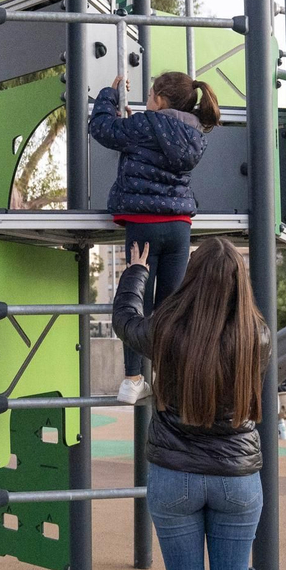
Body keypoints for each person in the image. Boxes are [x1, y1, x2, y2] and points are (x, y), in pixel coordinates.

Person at [113, 237, 267, 570]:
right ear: (239, 285)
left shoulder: (168, 329)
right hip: (237, 480)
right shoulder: (256, 335)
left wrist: (136, 274)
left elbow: (125, 323)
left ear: (192, 277)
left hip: (175, 476)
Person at [90, 70, 220, 404]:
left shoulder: (146, 125)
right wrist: (136, 125)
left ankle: (133, 380)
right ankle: (168, 379)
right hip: (179, 227)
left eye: (149, 95)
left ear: (159, 99)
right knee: (170, 306)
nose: (147, 100)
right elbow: (156, 142)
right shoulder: (194, 134)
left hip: (143, 223)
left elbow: (101, 128)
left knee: (138, 302)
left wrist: (109, 94)